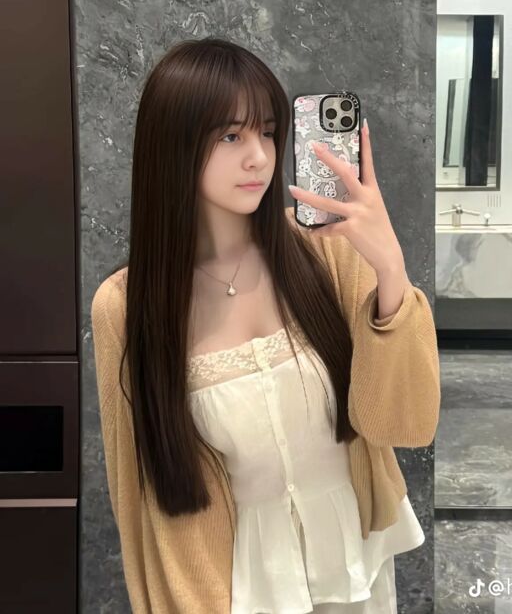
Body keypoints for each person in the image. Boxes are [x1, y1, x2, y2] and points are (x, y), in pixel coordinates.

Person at [91, 37, 441, 613]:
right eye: (231, 136)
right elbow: (135, 497)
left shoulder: (326, 248)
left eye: (269, 132)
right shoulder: (126, 305)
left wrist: (390, 271)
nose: (259, 156)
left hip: (353, 566)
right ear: (172, 145)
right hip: (232, 588)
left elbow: (404, 423)